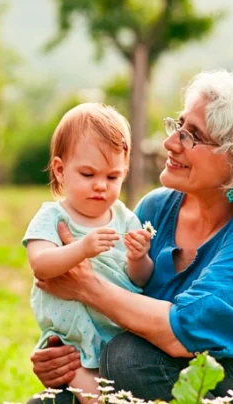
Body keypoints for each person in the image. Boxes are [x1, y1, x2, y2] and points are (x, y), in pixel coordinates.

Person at [28, 71, 233, 403]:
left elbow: (183, 333)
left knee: (129, 360)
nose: (170, 143)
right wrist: (65, 354)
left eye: (192, 136)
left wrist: (85, 286)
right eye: (178, 126)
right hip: (180, 368)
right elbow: (123, 305)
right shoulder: (156, 208)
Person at [22, 103, 153, 402]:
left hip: (118, 332)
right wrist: (82, 248)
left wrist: (138, 258)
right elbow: (41, 265)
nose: (100, 186)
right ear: (60, 170)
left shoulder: (125, 218)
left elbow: (141, 279)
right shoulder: (53, 218)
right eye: (88, 174)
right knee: (97, 397)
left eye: (112, 177)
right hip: (73, 341)